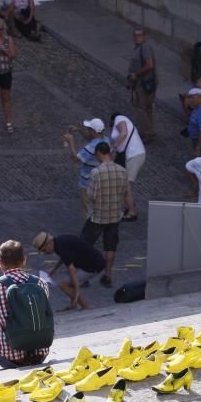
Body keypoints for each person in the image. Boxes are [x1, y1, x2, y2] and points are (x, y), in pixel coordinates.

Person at [0, 240, 50, 371]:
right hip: (40, 355)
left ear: (0, 263)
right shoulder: (40, 283)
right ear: (24, 260)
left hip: (10, 359)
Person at [82, 142, 131, 288]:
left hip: (98, 215)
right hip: (115, 215)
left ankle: (84, 275)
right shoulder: (122, 171)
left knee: (85, 245)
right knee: (111, 246)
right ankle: (108, 275)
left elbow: (91, 195)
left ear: (98, 153)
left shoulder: (96, 172)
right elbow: (126, 192)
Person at [32, 232, 104, 311]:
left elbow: (72, 270)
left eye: (44, 250)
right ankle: (73, 305)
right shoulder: (59, 241)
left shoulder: (61, 247)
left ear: (49, 243)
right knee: (69, 278)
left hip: (93, 266)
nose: (45, 253)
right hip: (91, 261)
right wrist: (53, 269)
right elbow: (66, 257)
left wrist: (76, 294)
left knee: (63, 284)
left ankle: (86, 306)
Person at [63, 118, 108, 218]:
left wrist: (71, 142)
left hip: (88, 183)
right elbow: (91, 138)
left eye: (88, 129)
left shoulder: (91, 147)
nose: (86, 130)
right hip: (102, 181)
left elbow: (76, 159)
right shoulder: (106, 140)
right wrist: (79, 130)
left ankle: (91, 229)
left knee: (89, 212)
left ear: (93, 131)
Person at [109, 112, 143, 221]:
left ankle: (132, 212)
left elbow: (123, 133)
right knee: (123, 184)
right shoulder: (121, 122)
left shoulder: (120, 118)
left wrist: (113, 146)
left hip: (134, 155)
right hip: (130, 155)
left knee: (125, 185)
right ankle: (129, 205)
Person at [126, 28, 156, 142]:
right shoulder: (139, 48)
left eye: (140, 35)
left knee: (140, 108)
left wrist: (135, 75)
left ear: (144, 36)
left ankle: (148, 132)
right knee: (146, 108)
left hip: (143, 84)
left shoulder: (145, 48)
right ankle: (148, 131)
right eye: (135, 35)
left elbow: (149, 65)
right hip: (141, 83)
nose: (137, 37)